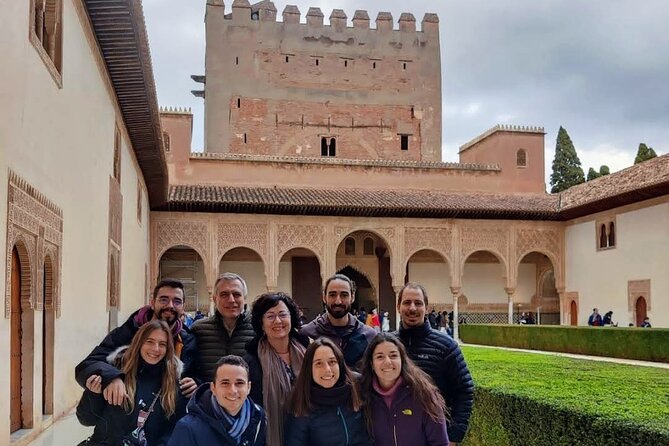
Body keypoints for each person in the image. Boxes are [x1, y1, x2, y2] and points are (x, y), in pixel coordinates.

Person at [75, 279, 198, 404]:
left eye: (177, 301)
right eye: (163, 299)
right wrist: (112, 377)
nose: (170, 305)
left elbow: (197, 375)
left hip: (166, 415)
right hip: (128, 413)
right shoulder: (128, 332)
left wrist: (196, 383)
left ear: (183, 307)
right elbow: (88, 364)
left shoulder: (188, 340)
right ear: (152, 303)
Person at [77, 320, 185, 446]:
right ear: (139, 343)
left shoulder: (172, 384)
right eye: (149, 341)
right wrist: (94, 395)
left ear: (168, 349)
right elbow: (86, 419)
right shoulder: (114, 372)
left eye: (162, 344)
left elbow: (172, 430)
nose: (156, 349)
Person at [396, 283, 474, 444]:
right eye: (407, 302)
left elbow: (464, 389)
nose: (412, 308)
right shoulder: (388, 345)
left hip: (434, 437)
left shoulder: (446, 346)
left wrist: (453, 436)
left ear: (426, 307)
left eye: (418, 303)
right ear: (398, 307)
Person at [360, 332, 449, 446]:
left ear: (402, 360)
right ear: (371, 364)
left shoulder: (424, 394)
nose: (387, 361)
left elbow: (439, 442)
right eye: (380, 356)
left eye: (393, 355)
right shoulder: (362, 395)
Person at [244, 292, 309, 446]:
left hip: (308, 432)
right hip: (271, 435)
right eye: (270, 316)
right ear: (261, 323)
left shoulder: (309, 352)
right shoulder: (251, 361)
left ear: (292, 319)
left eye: (282, 314)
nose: (278, 321)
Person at [285, 338, 372, 446]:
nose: (327, 369)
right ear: (309, 368)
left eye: (332, 362)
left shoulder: (357, 387)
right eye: (319, 364)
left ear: (340, 363)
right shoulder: (301, 402)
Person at [167, 355, 267, 446]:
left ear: (249, 387)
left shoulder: (258, 418)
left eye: (239, 383)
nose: (233, 390)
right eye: (225, 383)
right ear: (213, 388)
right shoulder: (188, 428)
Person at [301, 274, 377, 370]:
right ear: (324, 297)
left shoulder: (368, 336)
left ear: (352, 297)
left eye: (344, 295)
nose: (338, 301)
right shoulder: (308, 334)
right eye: (332, 295)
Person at [191, 272, 255, 383]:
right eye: (224, 294)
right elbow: (190, 368)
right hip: (208, 397)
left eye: (236, 294)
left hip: (247, 398)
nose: (231, 300)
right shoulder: (199, 330)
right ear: (215, 299)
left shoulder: (257, 328)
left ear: (244, 298)